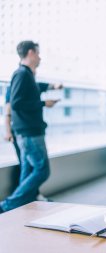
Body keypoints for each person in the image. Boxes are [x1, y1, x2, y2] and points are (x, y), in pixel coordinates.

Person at [0, 41, 62, 213]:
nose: (40, 57)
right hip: (29, 131)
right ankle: (7, 205)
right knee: (42, 170)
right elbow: (17, 103)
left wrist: (50, 87)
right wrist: (43, 103)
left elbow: (34, 89)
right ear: (31, 53)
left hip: (27, 131)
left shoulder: (27, 75)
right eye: (38, 53)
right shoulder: (21, 74)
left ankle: (23, 206)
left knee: (27, 172)